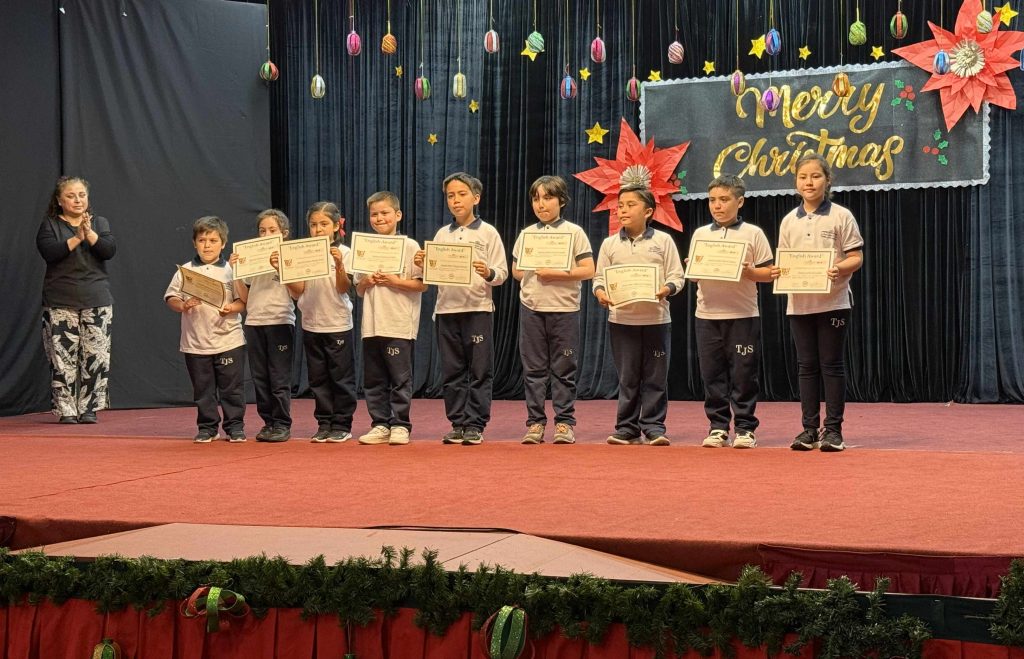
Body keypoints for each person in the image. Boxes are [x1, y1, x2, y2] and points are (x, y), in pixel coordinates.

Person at [770, 153, 864, 452]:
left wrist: (839, 267)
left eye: (815, 176)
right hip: (799, 304)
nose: (809, 182)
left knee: (831, 365)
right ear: (795, 182)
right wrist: (780, 271)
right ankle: (808, 430)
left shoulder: (841, 215)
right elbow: (784, 260)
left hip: (834, 302)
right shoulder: (789, 220)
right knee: (806, 366)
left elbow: (856, 257)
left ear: (827, 180)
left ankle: (833, 431)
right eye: (803, 177)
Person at [413, 173, 507, 445]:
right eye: (450, 196)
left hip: (478, 309)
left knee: (479, 370)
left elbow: (501, 273)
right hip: (446, 311)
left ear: (476, 198)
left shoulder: (488, 232)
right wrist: (423, 263)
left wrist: (487, 272)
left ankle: (475, 424)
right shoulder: (442, 234)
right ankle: (457, 423)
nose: (455, 200)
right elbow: (433, 275)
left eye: (462, 194)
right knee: (452, 371)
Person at [592, 186, 684, 446]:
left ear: (648, 211)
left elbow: (677, 276)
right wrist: (600, 293)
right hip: (622, 321)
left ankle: (654, 427)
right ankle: (627, 428)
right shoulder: (610, 244)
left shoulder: (663, 241)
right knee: (627, 377)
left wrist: (667, 289)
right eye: (620, 205)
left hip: (656, 320)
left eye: (631, 205)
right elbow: (599, 279)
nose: (623, 210)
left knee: (656, 377)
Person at [688, 175, 773, 449]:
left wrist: (749, 272)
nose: (717, 205)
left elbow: (769, 273)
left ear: (740, 201)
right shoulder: (701, 234)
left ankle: (745, 428)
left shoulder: (753, 233)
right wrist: (693, 268)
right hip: (707, 316)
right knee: (712, 374)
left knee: (744, 374)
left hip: (743, 315)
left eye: (724, 200)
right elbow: (694, 277)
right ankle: (718, 427)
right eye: (712, 200)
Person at [511, 175, 594, 445]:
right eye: (536, 199)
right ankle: (535, 423)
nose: (541, 204)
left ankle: (564, 423)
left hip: (564, 309)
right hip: (532, 308)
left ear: (562, 201)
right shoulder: (527, 234)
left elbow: (589, 270)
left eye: (548, 198)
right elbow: (516, 271)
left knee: (564, 369)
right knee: (533, 370)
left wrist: (556, 273)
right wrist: (531, 267)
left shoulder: (574, 232)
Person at [36, 176, 116, 424]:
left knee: (95, 356)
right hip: (60, 299)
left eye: (82, 195)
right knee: (62, 358)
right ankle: (67, 409)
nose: (78, 200)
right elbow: (50, 252)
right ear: (60, 201)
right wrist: (77, 237)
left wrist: (89, 233)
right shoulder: (50, 225)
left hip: (96, 297)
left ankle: (89, 408)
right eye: (71, 196)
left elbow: (108, 250)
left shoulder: (99, 222)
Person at [276, 202, 356, 443]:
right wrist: (283, 270)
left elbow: (344, 288)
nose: (318, 229)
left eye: (324, 224)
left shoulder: (346, 252)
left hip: (337, 323)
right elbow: (299, 290)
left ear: (336, 226)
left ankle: (342, 424)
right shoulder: (303, 252)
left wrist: (339, 265)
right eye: (313, 225)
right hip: (311, 323)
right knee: (318, 379)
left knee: (340, 378)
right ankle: (324, 423)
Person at [164, 216, 247, 443]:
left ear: (223, 243)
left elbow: (242, 301)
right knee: (203, 390)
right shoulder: (185, 271)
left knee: (232, 389)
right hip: (195, 343)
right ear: (194, 243)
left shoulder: (231, 270)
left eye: (213, 240)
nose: (207, 245)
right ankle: (208, 427)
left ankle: (235, 427)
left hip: (229, 340)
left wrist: (231, 308)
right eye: (202, 240)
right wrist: (183, 305)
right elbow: (171, 297)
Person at [354, 192, 426, 446]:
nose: (379, 218)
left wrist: (395, 281)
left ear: (398, 215)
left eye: (385, 213)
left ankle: (401, 424)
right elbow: (358, 289)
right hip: (371, 325)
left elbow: (422, 285)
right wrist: (366, 280)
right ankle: (380, 424)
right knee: (374, 378)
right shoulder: (364, 247)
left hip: (398, 323)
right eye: (374, 214)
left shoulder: (410, 246)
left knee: (399, 377)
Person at [229, 209, 295, 443]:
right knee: (260, 377)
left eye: (272, 230)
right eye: (262, 231)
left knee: (279, 377)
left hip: (280, 321)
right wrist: (237, 272)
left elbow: (298, 291)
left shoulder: (290, 256)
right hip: (255, 321)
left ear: (283, 233)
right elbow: (245, 298)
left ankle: (282, 423)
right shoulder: (252, 257)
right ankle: (268, 422)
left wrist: (280, 267)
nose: (266, 235)